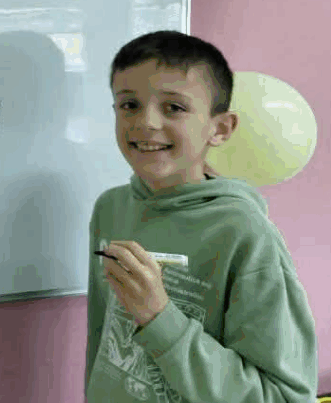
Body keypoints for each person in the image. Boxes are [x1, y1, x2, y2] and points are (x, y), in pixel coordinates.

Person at [84, 30, 318, 402]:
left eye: (174, 108)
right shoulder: (110, 208)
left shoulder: (244, 232)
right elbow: (101, 341)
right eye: (129, 104)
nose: (146, 122)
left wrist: (159, 317)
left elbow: (282, 396)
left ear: (220, 128)